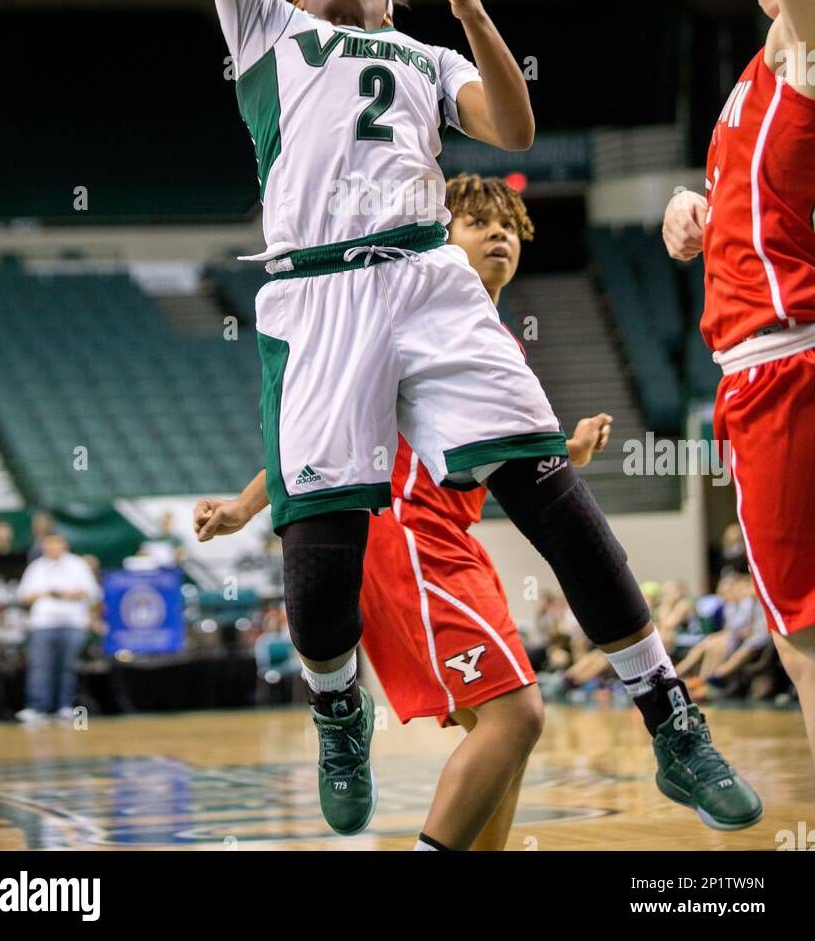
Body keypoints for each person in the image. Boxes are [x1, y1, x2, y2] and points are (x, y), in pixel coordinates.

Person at [190, 0, 760, 837]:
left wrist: (472, 12)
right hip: (317, 295)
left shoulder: (422, 56)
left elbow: (511, 124)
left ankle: (666, 715)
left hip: (424, 272)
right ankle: (335, 707)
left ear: (391, 3)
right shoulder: (265, 38)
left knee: (545, 478)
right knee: (323, 547)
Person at [195, 176, 761, 844]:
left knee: (503, 732)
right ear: (436, 240)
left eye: (507, 226)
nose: (497, 234)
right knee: (516, 716)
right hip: (401, 537)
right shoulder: (401, 324)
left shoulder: (491, 345)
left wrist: (566, 451)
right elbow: (321, 443)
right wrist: (245, 504)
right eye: (476, 224)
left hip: (452, 543)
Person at [663, 0, 815, 762]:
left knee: (799, 631)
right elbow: (755, 211)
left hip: (781, 366)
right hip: (768, 362)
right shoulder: (747, 90)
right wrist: (694, 212)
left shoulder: (803, 55)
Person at [15, 533, 100, 723]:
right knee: (40, 666)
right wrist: (44, 593)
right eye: (49, 545)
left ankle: (65, 706)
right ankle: (37, 707)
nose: (52, 548)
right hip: (43, 624)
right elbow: (23, 596)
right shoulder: (36, 567)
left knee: (68, 667)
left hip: (73, 623)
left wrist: (65, 595)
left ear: (64, 545)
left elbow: (92, 592)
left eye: (56, 544)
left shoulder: (77, 565)